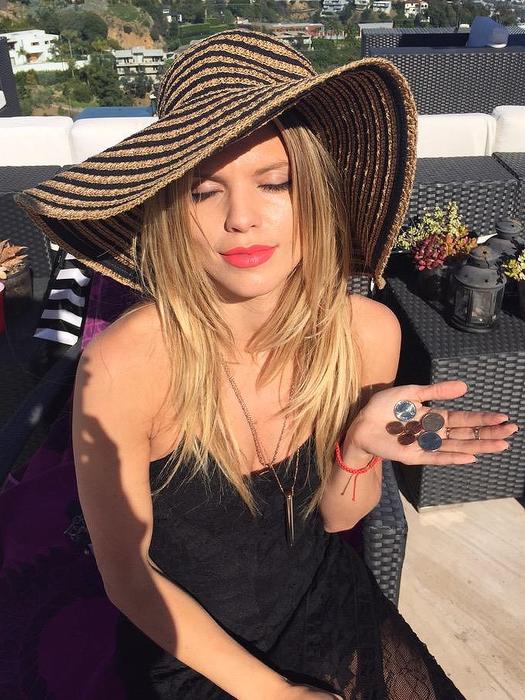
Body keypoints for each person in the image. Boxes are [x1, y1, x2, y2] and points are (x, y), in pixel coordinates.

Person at [17, 30, 518, 699]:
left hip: (323, 600)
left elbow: (338, 521)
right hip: (188, 645)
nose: (242, 219)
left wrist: (358, 448)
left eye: (275, 182)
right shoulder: (124, 365)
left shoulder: (365, 332)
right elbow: (128, 576)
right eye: (203, 192)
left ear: (316, 193)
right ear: (168, 210)